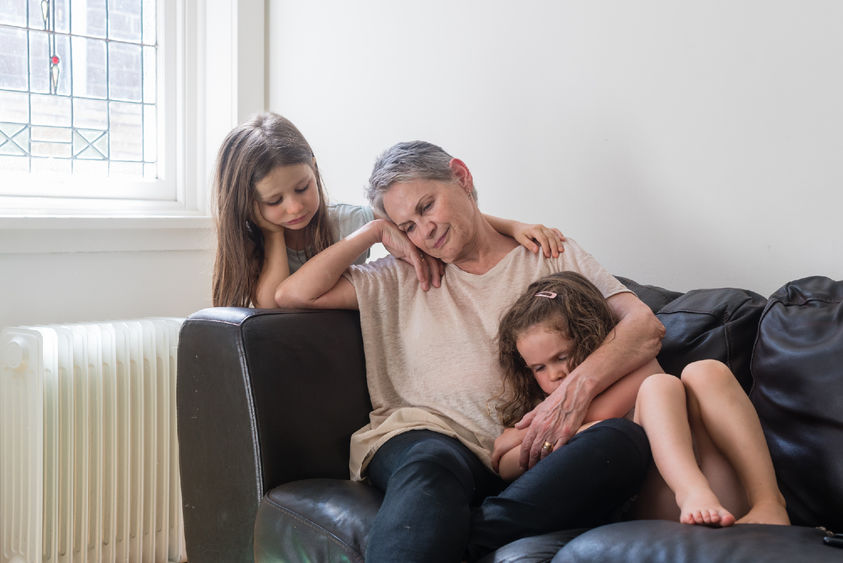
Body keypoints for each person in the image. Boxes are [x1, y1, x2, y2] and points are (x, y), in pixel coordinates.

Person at [273, 140, 665, 561]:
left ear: (461, 177)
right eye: (406, 226)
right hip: (428, 440)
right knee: (431, 462)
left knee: (622, 443)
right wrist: (373, 232)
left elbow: (645, 327)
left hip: (521, 456)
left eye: (427, 207)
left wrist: (575, 393)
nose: (424, 231)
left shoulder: (549, 253)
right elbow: (293, 294)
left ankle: (468, 535)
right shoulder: (401, 274)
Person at [494, 271, 790, 527]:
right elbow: (504, 464)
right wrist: (533, 435)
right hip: (662, 505)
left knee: (701, 372)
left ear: (590, 339)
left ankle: (769, 502)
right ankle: (690, 489)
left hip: (721, 494)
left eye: (562, 357)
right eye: (539, 368)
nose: (556, 374)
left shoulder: (639, 370)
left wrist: (535, 435)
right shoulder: (542, 409)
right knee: (659, 387)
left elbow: (601, 418)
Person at [211, 112, 566, 307]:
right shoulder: (252, 241)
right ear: (248, 204)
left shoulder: (346, 220)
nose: (295, 207)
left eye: (303, 188)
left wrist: (512, 226)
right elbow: (274, 304)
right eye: (274, 202)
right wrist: (273, 235)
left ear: (314, 170)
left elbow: (433, 221)